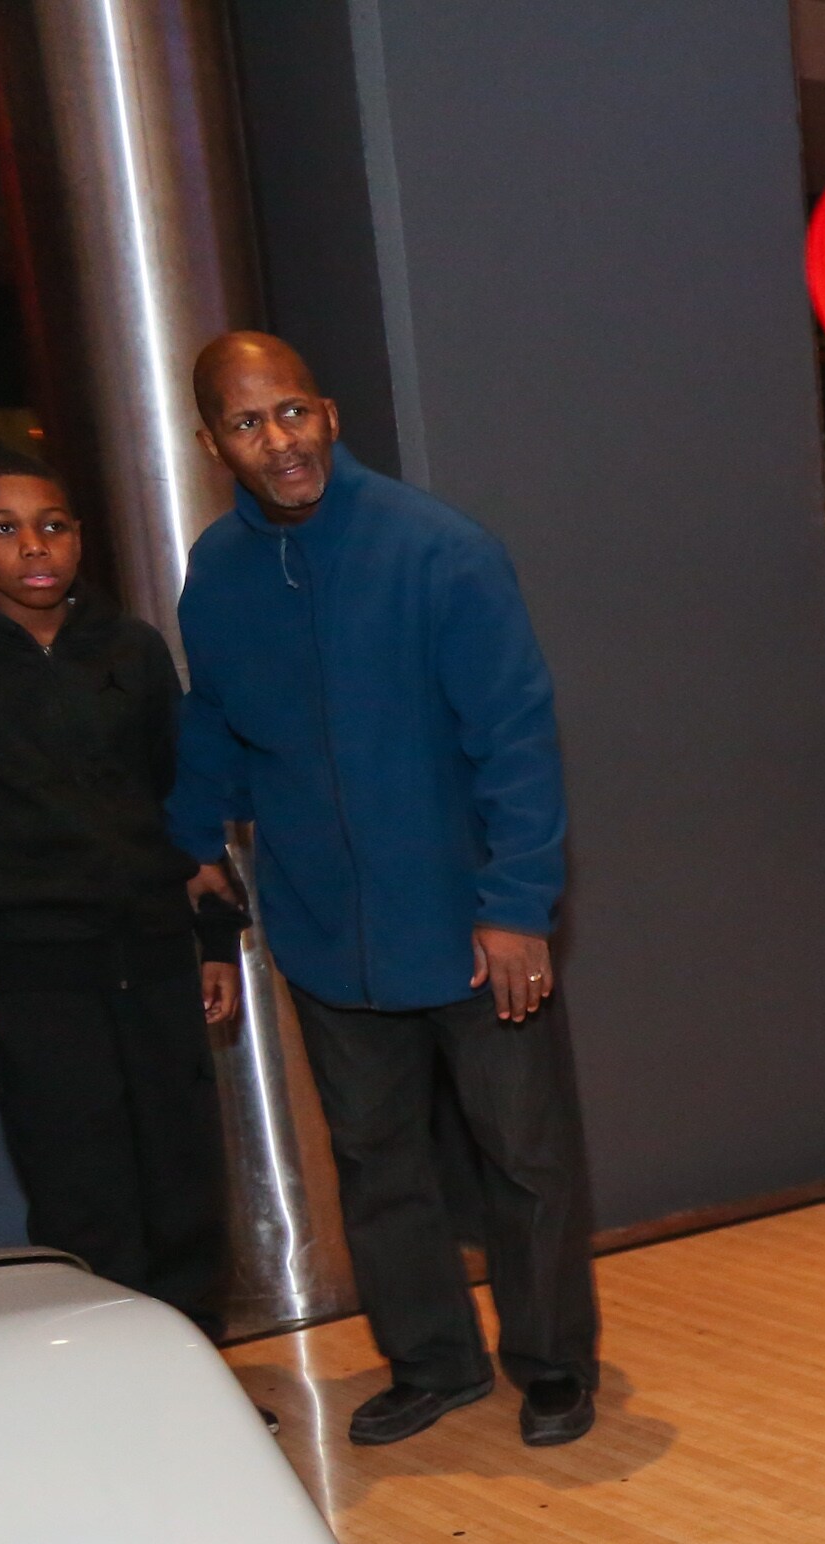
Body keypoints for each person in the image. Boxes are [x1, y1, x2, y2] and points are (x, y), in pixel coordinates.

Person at [167, 331, 601, 1447]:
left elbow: (516, 739)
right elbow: (214, 717)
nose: (279, 440)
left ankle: (553, 1363)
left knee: (524, 1158)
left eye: (292, 411)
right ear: (215, 444)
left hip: (471, 927)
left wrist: (516, 906)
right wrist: (195, 834)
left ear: (329, 414)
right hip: (324, 930)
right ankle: (432, 1361)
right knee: (376, 1163)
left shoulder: (441, 551)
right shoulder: (217, 571)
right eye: (248, 423)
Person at [0, 447, 240, 1332]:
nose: (34, 546)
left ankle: (194, 1369)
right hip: (29, 965)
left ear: (78, 538)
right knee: (80, 1188)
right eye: (4, 529)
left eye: (53, 526)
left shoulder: (131, 646)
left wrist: (216, 938)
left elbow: (180, 802)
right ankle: (106, 1378)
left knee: (184, 1179)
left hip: (154, 949)